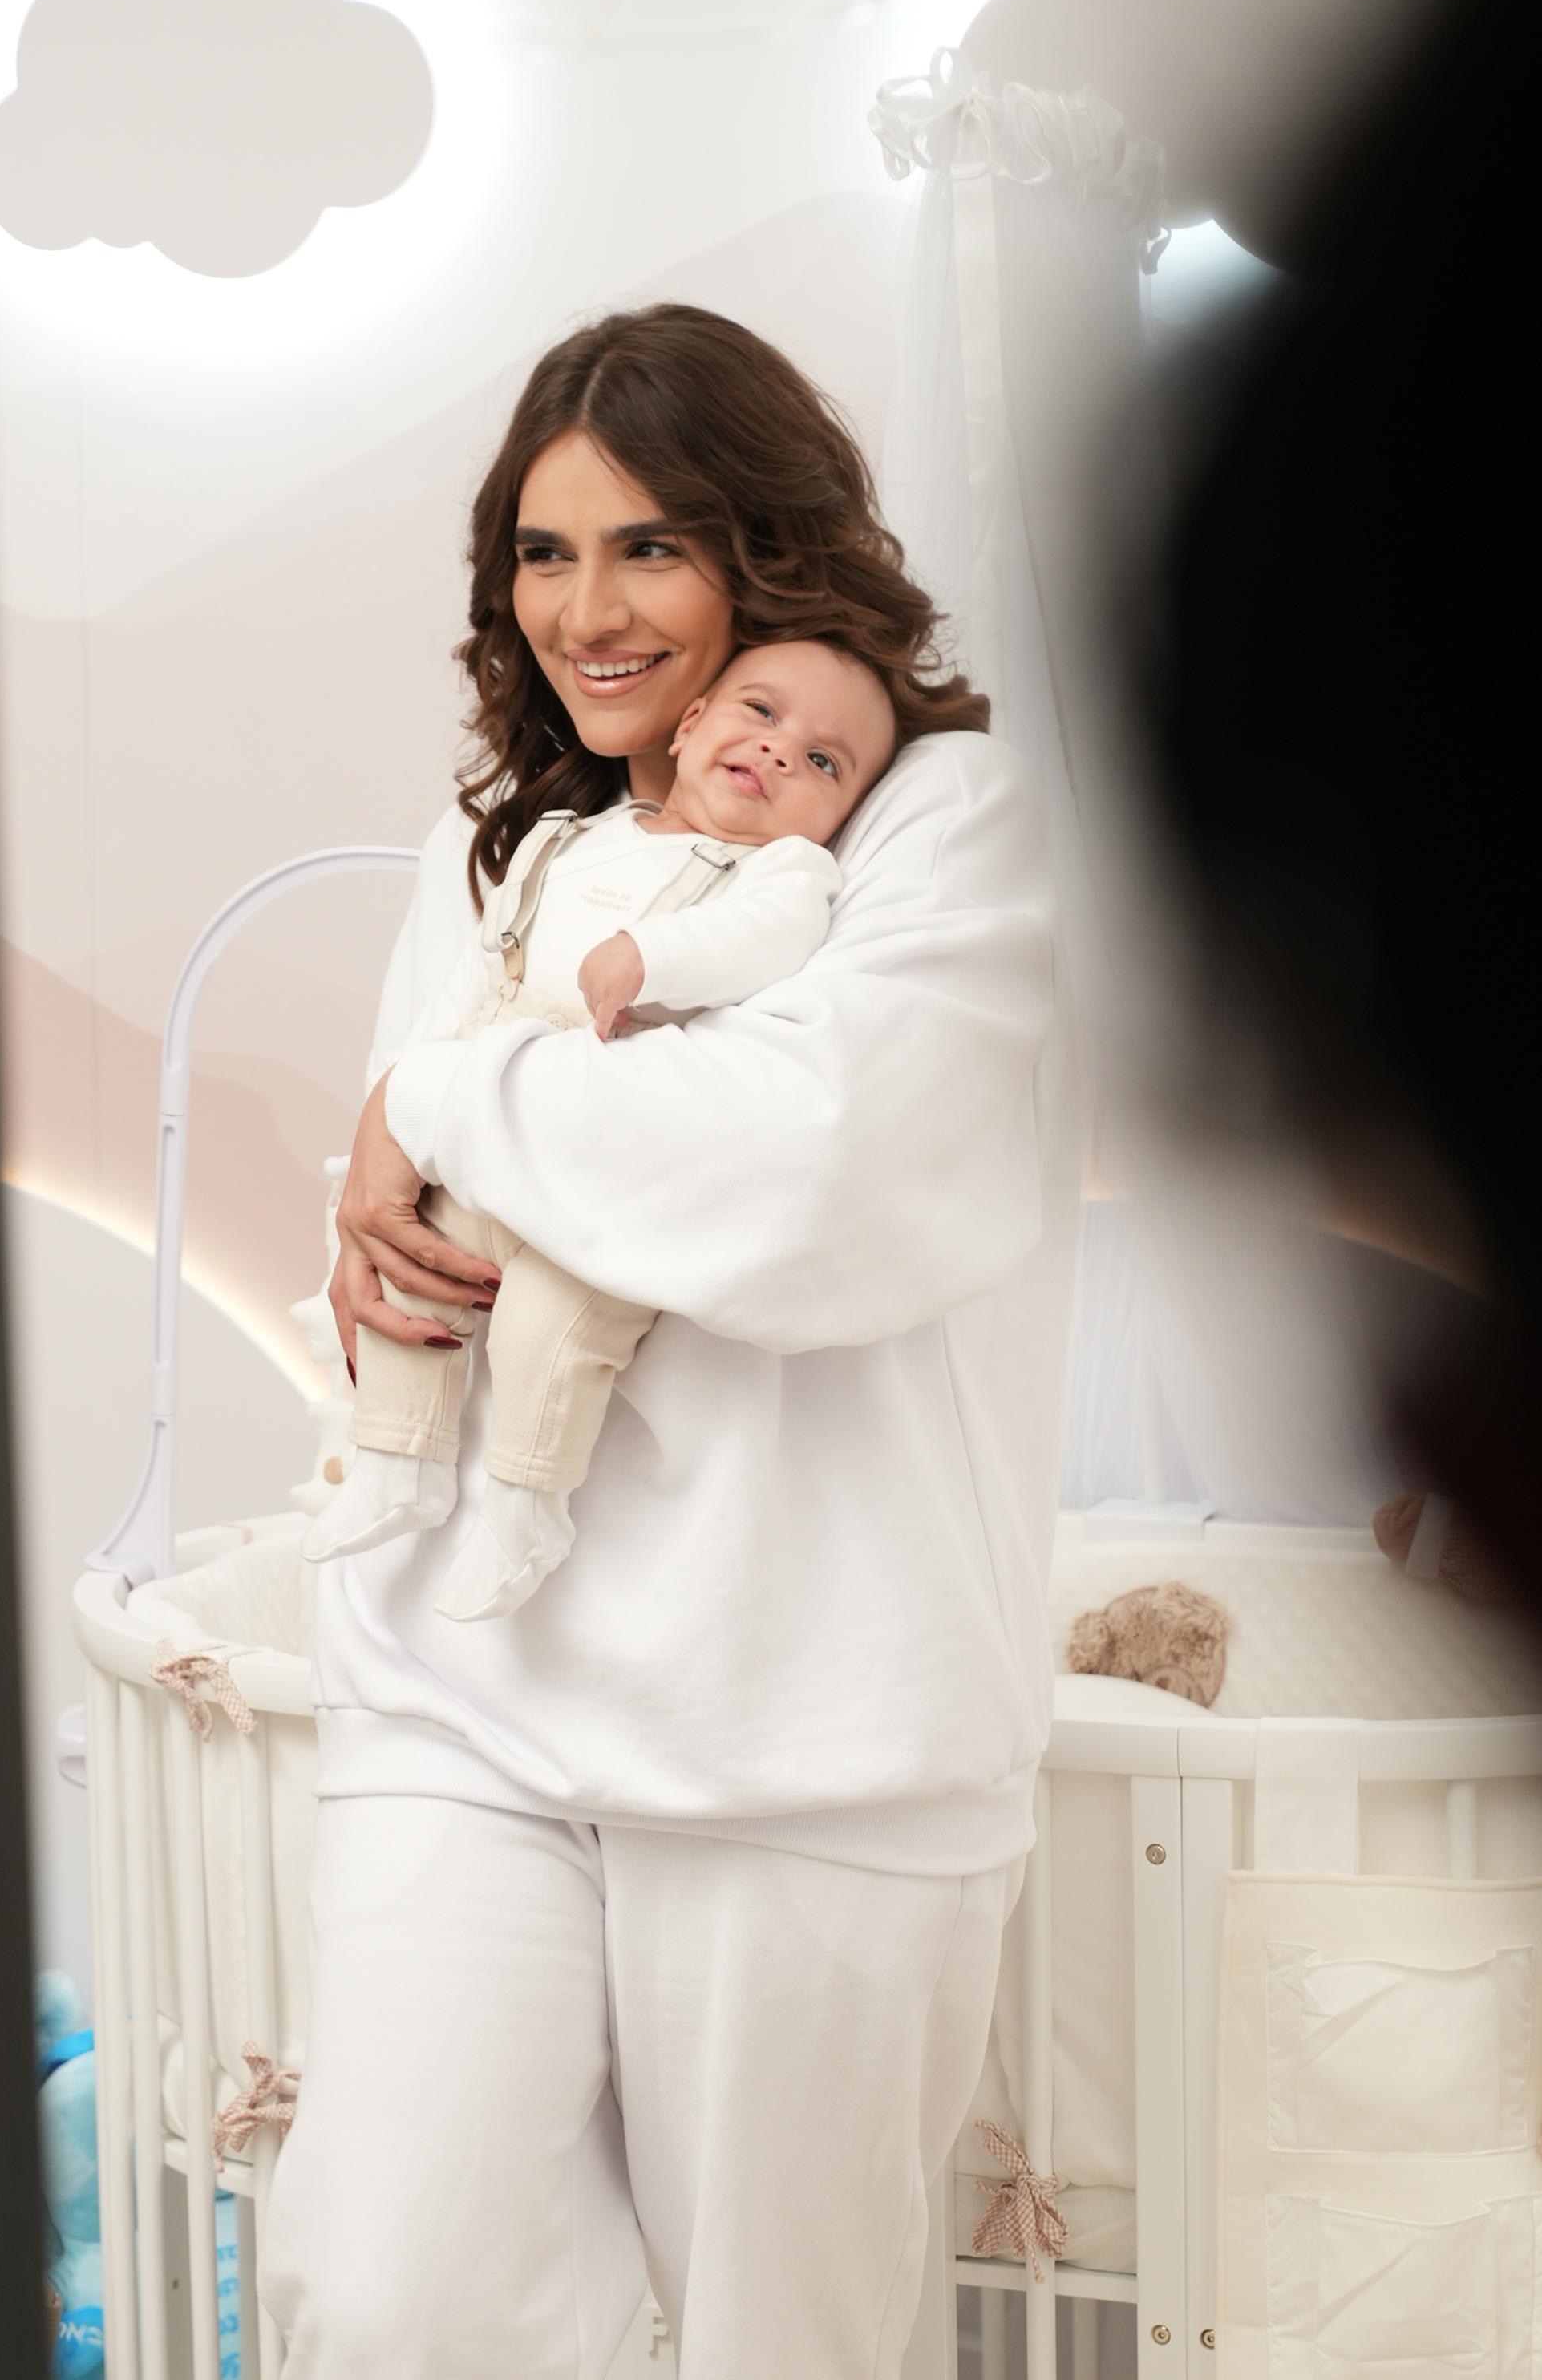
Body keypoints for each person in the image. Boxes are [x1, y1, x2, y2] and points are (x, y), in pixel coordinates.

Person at [260, 304, 1085, 2379]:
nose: (587, 610)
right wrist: (413, 1179)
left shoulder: (933, 813)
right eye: (543, 554)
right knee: (386, 2297)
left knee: (776, 2347)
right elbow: (449, 1222)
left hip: (814, 1734)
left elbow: (812, 1172)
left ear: (766, 551)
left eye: (649, 546)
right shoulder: (509, 847)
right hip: (465, 1699)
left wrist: (434, 1099)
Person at [302, 636, 907, 1622]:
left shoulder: (783, 873)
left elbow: (767, 940)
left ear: (842, 817)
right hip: (475, 1125)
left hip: (605, 1171)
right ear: (692, 723)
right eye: (760, 713)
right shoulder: (566, 841)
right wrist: (398, 1103)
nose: (779, 751)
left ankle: (526, 1509)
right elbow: (474, 977)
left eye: (822, 761)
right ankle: (397, 1462)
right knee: (415, 1282)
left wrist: (653, 954)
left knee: (551, 1331)